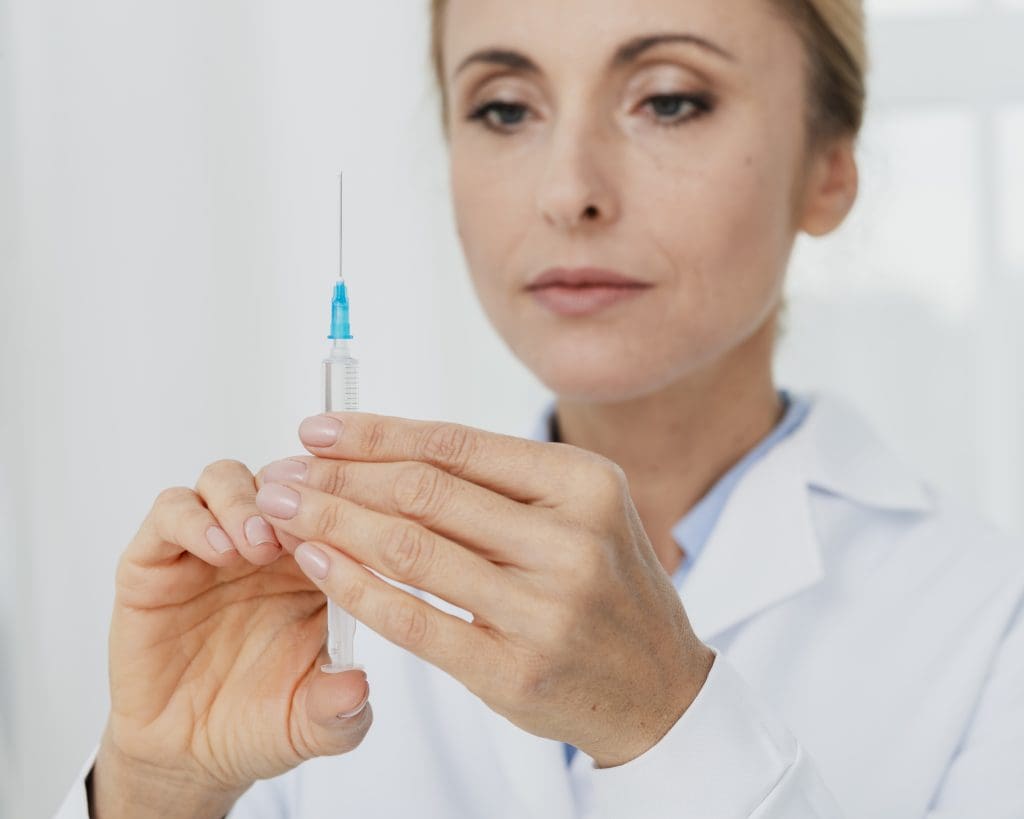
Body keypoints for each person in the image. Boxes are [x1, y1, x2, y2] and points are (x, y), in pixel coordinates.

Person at [56, 0, 1024, 816]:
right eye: (506, 108)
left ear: (829, 169)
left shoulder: (988, 626)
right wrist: (157, 788)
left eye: (669, 100)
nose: (568, 193)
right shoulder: (316, 600)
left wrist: (667, 723)